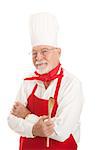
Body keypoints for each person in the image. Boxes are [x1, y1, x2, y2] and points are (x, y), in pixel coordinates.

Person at [8, 12, 84, 150]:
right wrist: (35, 129)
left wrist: (26, 115)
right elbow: (12, 120)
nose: (38, 58)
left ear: (58, 52)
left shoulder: (72, 84)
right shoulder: (28, 82)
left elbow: (61, 131)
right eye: (34, 53)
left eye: (44, 51)